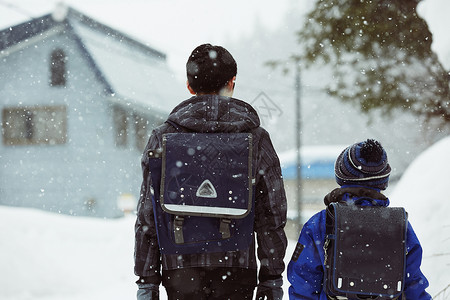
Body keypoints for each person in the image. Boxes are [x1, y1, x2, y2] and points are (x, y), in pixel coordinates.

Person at [134, 44, 288, 300]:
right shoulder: (256, 138)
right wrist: (271, 277)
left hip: (180, 269)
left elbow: (148, 215)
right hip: (238, 268)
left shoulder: (163, 138)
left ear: (189, 86)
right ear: (232, 82)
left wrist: (147, 281)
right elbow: (271, 214)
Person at [287, 139, 432, 300]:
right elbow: (413, 284)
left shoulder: (321, 222)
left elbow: (303, 282)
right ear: (383, 181)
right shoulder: (399, 224)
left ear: (341, 176)